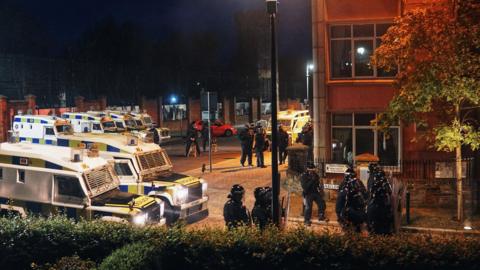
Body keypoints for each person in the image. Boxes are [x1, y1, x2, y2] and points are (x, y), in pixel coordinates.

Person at [336, 168, 368, 232]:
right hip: (348, 215)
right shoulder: (344, 188)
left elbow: (364, 196)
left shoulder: (358, 183)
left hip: (357, 213)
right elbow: (339, 205)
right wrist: (342, 219)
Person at [367, 167, 394, 235]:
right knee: (386, 218)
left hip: (373, 206)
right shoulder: (384, 184)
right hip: (381, 206)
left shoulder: (373, 183)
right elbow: (390, 192)